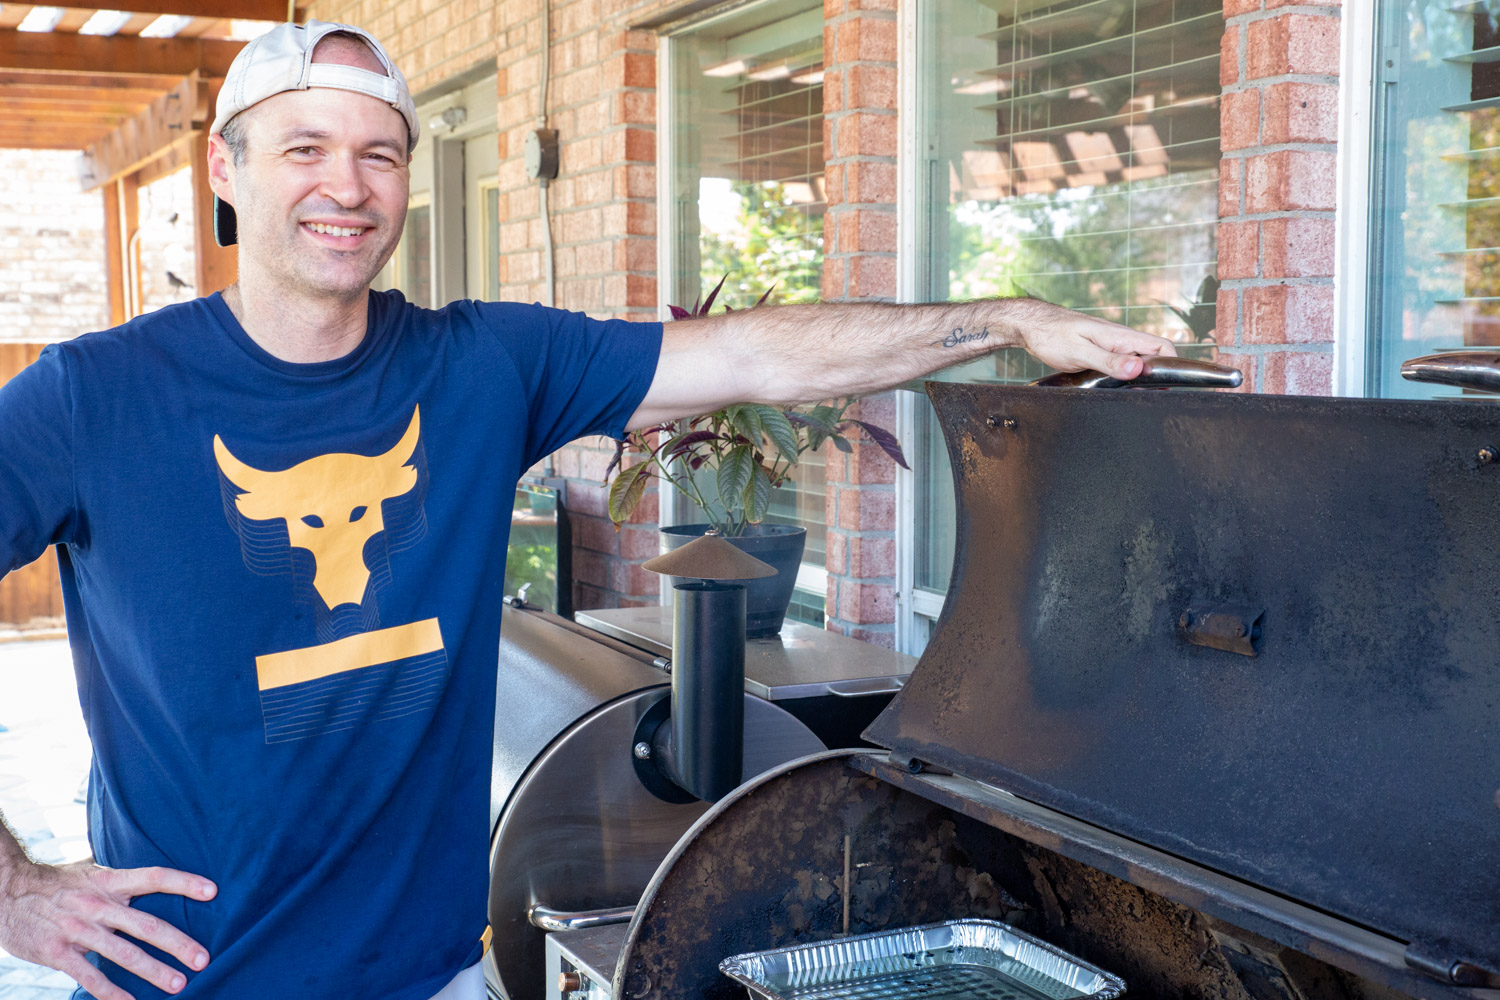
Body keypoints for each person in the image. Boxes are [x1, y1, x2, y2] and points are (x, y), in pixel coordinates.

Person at [0, 19, 1175, 1000]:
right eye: (303, 147)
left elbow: (755, 356)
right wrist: (13, 888)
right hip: (185, 981)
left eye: (379, 153)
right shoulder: (89, 398)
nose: (345, 187)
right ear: (226, 168)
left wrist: (1007, 321)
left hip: (435, 976)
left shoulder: (478, 367)